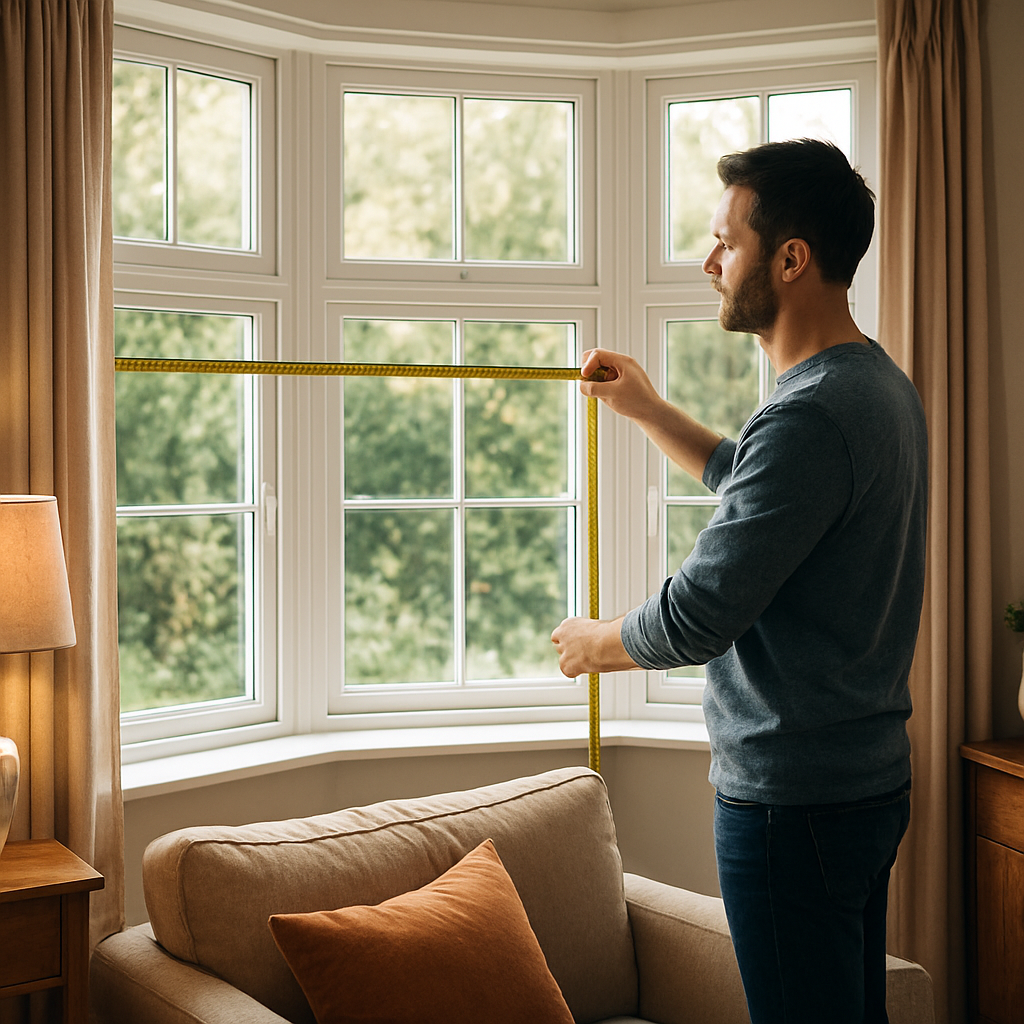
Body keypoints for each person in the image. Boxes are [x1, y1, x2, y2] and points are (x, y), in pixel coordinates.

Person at [551, 138, 928, 1024]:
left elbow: (699, 613)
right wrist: (648, 410)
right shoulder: (871, 386)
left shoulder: (811, 415)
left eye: (727, 242)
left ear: (790, 259)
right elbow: (763, 489)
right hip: (859, 785)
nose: (709, 262)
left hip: (793, 807)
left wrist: (595, 644)